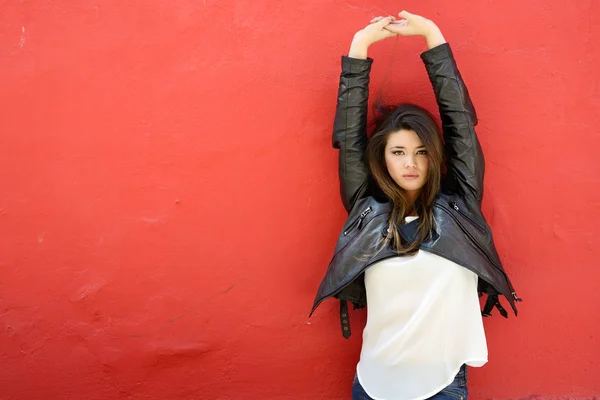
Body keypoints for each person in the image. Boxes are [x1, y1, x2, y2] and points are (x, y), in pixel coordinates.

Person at [309, 10, 522, 400]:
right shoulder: (366, 213)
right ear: (382, 158)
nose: (410, 163)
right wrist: (360, 48)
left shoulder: (460, 209)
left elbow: (460, 123)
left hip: (441, 386)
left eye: (422, 151)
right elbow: (348, 138)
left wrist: (432, 37)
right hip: (372, 385)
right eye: (399, 151)